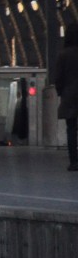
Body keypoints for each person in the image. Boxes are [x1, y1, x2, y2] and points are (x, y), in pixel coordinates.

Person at [51, 22, 78, 171]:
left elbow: (58, 78)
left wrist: (61, 92)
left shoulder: (63, 55)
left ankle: (74, 161)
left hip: (69, 95)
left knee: (71, 129)